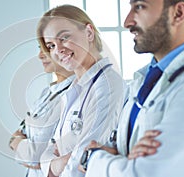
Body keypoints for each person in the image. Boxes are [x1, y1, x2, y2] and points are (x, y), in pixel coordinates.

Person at [82, 0, 184, 176]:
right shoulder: (147, 78)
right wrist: (121, 156)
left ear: (178, 13)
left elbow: (145, 173)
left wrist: (92, 158)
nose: (127, 22)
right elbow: (119, 147)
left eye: (140, 7)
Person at [37, 5, 126, 177]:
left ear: (89, 33)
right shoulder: (74, 89)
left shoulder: (106, 86)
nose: (58, 50)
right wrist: (54, 164)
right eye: (51, 45)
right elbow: (48, 150)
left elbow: (84, 162)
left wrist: (54, 164)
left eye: (64, 37)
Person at [9, 47, 75, 177]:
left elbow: (34, 156)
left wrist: (15, 142)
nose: (40, 55)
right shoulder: (47, 92)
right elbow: (22, 131)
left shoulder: (70, 96)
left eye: (48, 47)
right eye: (40, 48)